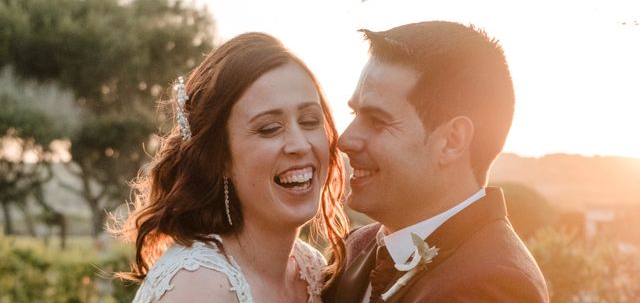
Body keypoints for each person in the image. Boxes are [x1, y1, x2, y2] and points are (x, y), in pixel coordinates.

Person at [324, 21, 549, 303]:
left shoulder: (493, 286)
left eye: (377, 121)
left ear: (452, 141)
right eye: (354, 114)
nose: (345, 140)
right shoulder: (355, 247)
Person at [115, 32, 348, 303]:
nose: (299, 144)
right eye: (270, 128)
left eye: (309, 121)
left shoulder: (311, 270)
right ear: (219, 158)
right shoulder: (199, 286)